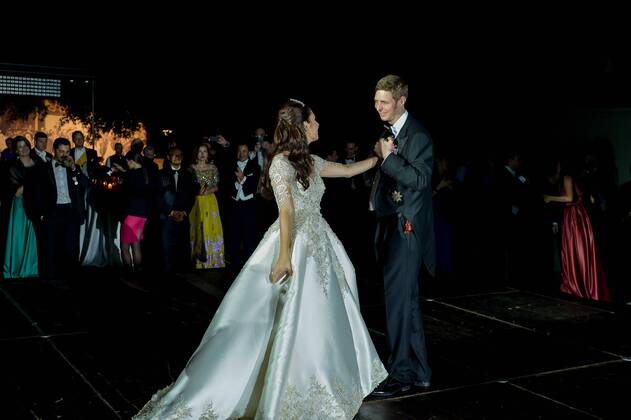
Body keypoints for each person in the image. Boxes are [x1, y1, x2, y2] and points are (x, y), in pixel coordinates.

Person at [133, 100, 387, 419]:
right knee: (293, 311)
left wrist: (377, 157)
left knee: (335, 292)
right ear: (302, 126)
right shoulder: (281, 162)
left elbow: (349, 169)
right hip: (295, 242)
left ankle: (327, 374)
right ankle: (290, 382)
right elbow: (286, 211)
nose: (319, 125)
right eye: (315, 120)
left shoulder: (310, 159)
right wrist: (284, 257)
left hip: (320, 239)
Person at [370, 74, 435, 397]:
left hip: (405, 231)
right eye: (376, 101)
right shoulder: (390, 133)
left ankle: (400, 376)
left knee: (398, 305)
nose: (377, 106)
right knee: (406, 305)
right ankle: (420, 372)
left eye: (383, 101)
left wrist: (389, 158)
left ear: (401, 101)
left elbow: (421, 180)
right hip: (390, 228)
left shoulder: (418, 135)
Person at [543, 160, 610, 301]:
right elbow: (591, 199)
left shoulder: (567, 177)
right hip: (580, 215)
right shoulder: (579, 177)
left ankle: (578, 286)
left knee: (576, 250)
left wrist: (549, 197)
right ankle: (587, 285)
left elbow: (569, 197)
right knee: (582, 251)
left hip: (573, 216)